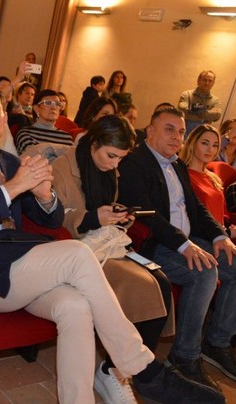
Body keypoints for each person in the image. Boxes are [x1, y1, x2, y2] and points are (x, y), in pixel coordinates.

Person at [0, 81, 223, 404]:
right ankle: (144, 368)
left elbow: (50, 220)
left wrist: (45, 196)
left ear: (3, 116)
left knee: (76, 307)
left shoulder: (12, 164)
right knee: (78, 253)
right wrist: (12, 188)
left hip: (25, 266)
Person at [117, 107, 236, 391]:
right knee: (204, 272)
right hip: (156, 243)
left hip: (187, 239)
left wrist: (219, 237)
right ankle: (184, 355)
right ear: (150, 131)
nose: (177, 137)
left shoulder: (176, 164)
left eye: (180, 132)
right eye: (169, 129)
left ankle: (217, 343)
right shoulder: (134, 162)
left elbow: (196, 208)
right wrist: (183, 244)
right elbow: (146, 213)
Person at [52, 115, 173, 403]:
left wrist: (119, 216)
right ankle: (115, 371)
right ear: (94, 142)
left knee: (161, 281)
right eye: (111, 156)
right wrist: (94, 217)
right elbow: (56, 218)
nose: (115, 164)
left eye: (121, 158)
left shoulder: (108, 169)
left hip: (107, 243)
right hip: (79, 250)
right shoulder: (62, 167)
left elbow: (105, 209)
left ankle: (118, 369)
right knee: (145, 286)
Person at [179, 124, 236, 245]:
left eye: (215, 145)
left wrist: (231, 229)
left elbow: (223, 216)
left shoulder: (214, 178)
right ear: (192, 144)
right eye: (205, 143)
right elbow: (193, 219)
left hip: (223, 234)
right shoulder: (184, 176)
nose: (210, 150)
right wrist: (226, 232)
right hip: (202, 239)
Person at [15, 89, 73, 161]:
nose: (53, 107)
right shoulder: (26, 133)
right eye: (48, 103)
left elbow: (71, 162)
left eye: (57, 104)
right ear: (36, 108)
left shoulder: (66, 137)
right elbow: (35, 159)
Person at [178, 70, 222, 137]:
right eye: (204, 80)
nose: (207, 83)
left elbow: (217, 115)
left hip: (202, 134)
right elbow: (182, 108)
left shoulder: (215, 100)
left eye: (210, 81)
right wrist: (206, 111)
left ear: (213, 83)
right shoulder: (187, 94)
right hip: (184, 132)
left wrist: (193, 109)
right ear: (198, 81)